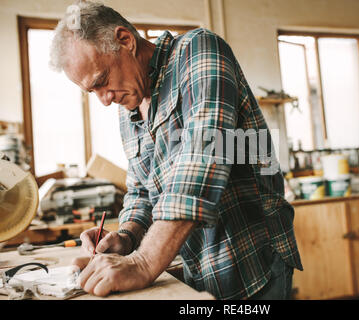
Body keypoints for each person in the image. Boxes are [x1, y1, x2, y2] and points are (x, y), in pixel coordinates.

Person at [50, 1, 303, 300]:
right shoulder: (129, 105)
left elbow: (202, 158)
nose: (104, 100)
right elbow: (141, 190)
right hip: (197, 271)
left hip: (251, 261)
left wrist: (142, 263)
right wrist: (126, 238)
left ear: (125, 40)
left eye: (102, 82)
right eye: (93, 92)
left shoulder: (198, 51)